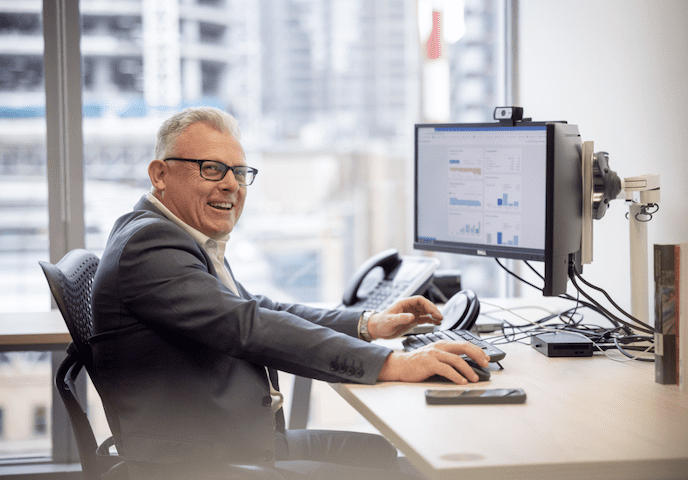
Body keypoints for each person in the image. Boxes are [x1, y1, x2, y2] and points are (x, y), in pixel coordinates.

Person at [89, 106, 489, 480]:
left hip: (231, 439)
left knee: (392, 458)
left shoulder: (175, 234)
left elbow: (258, 308)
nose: (230, 184)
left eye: (239, 172)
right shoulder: (151, 247)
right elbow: (249, 326)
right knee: (412, 471)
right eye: (211, 169)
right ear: (160, 174)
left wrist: (368, 324)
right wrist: (391, 363)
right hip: (202, 461)